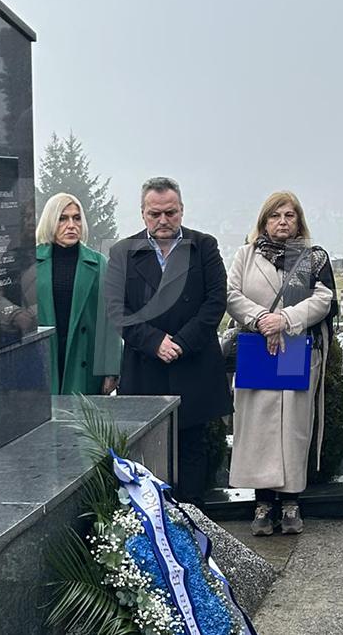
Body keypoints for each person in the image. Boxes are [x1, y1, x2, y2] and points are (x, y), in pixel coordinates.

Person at [104, 176, 232, 506]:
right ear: (143, 213)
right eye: (154, 214)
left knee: (193, 450)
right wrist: (155, 342)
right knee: (148, 455)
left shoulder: (204, 246)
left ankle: (193, 527)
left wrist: (182, 343)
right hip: (146, 367)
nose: (163, 221)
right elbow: (117, 309)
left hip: (194, 364)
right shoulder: (122, 252)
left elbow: (216, 301)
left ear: (182, 210)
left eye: (170, 213)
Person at [226, 191, 336, 536]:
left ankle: (291, 502)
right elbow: (231, 295)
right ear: (264, 221)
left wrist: (285, 319)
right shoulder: (245, 255)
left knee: (292, 425)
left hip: (295, 350)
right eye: (275, 216)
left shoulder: (312, 258)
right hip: (257, 348)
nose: (282, 222)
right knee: (258, 426)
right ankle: (262, 502)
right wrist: (262, 319)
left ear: (299, 221)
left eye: (289, 215)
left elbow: (324, 298)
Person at [35, 192, 121, 395]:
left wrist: (111, 369)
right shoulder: (30, 262)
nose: (71, 225)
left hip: (84, 359)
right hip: (45, 357)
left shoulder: (99, 263)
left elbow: (110, 319)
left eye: (77, 218)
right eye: (63, 218)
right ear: (50, 221)